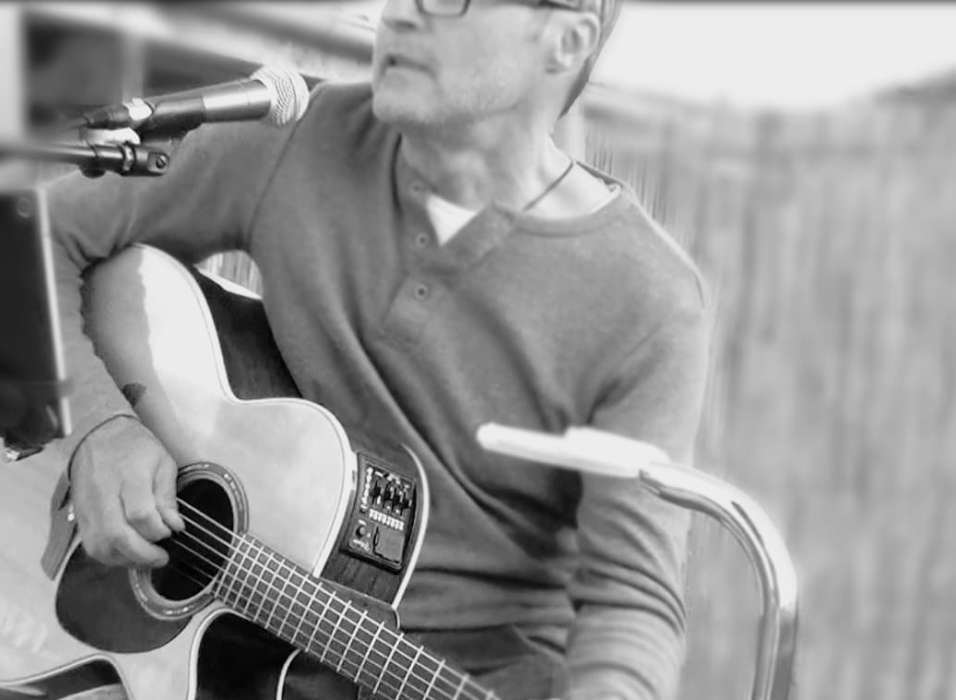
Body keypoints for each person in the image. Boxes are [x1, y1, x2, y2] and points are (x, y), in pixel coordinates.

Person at [47, 0, 712, 698]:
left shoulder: (648, 300)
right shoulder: (297, 132)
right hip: (212, 649)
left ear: (566, 40)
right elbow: (37, 239)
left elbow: (629, 597)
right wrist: (97, 426)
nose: (404, 12)